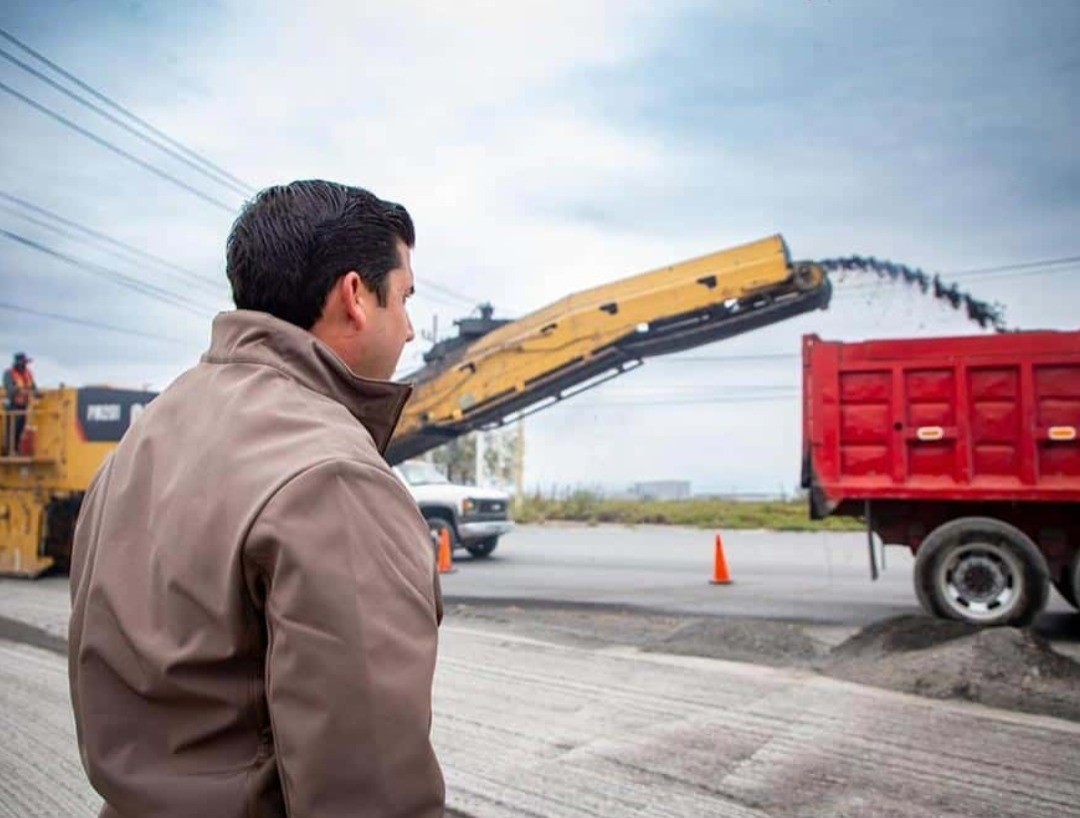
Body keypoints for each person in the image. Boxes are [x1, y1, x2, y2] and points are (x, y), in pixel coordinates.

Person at [68, 181, 445, 817]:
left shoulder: (148, 433)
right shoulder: (333, 478)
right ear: (355, 297)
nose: (409, 330)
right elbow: (365, 790)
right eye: (405, 298)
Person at [3, 351, 38, 455]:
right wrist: (19, 390)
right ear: (18, 363)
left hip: (23, 405)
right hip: (13, 405)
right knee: (12, 429)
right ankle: (10, 450)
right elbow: (10, 388)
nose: (25, 365)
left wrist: (37, 394)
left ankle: (17, 449)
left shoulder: (28, 373)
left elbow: (33, 387)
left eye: (25, 363)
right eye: (23, 363)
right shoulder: (8, 374)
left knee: (21, 428)